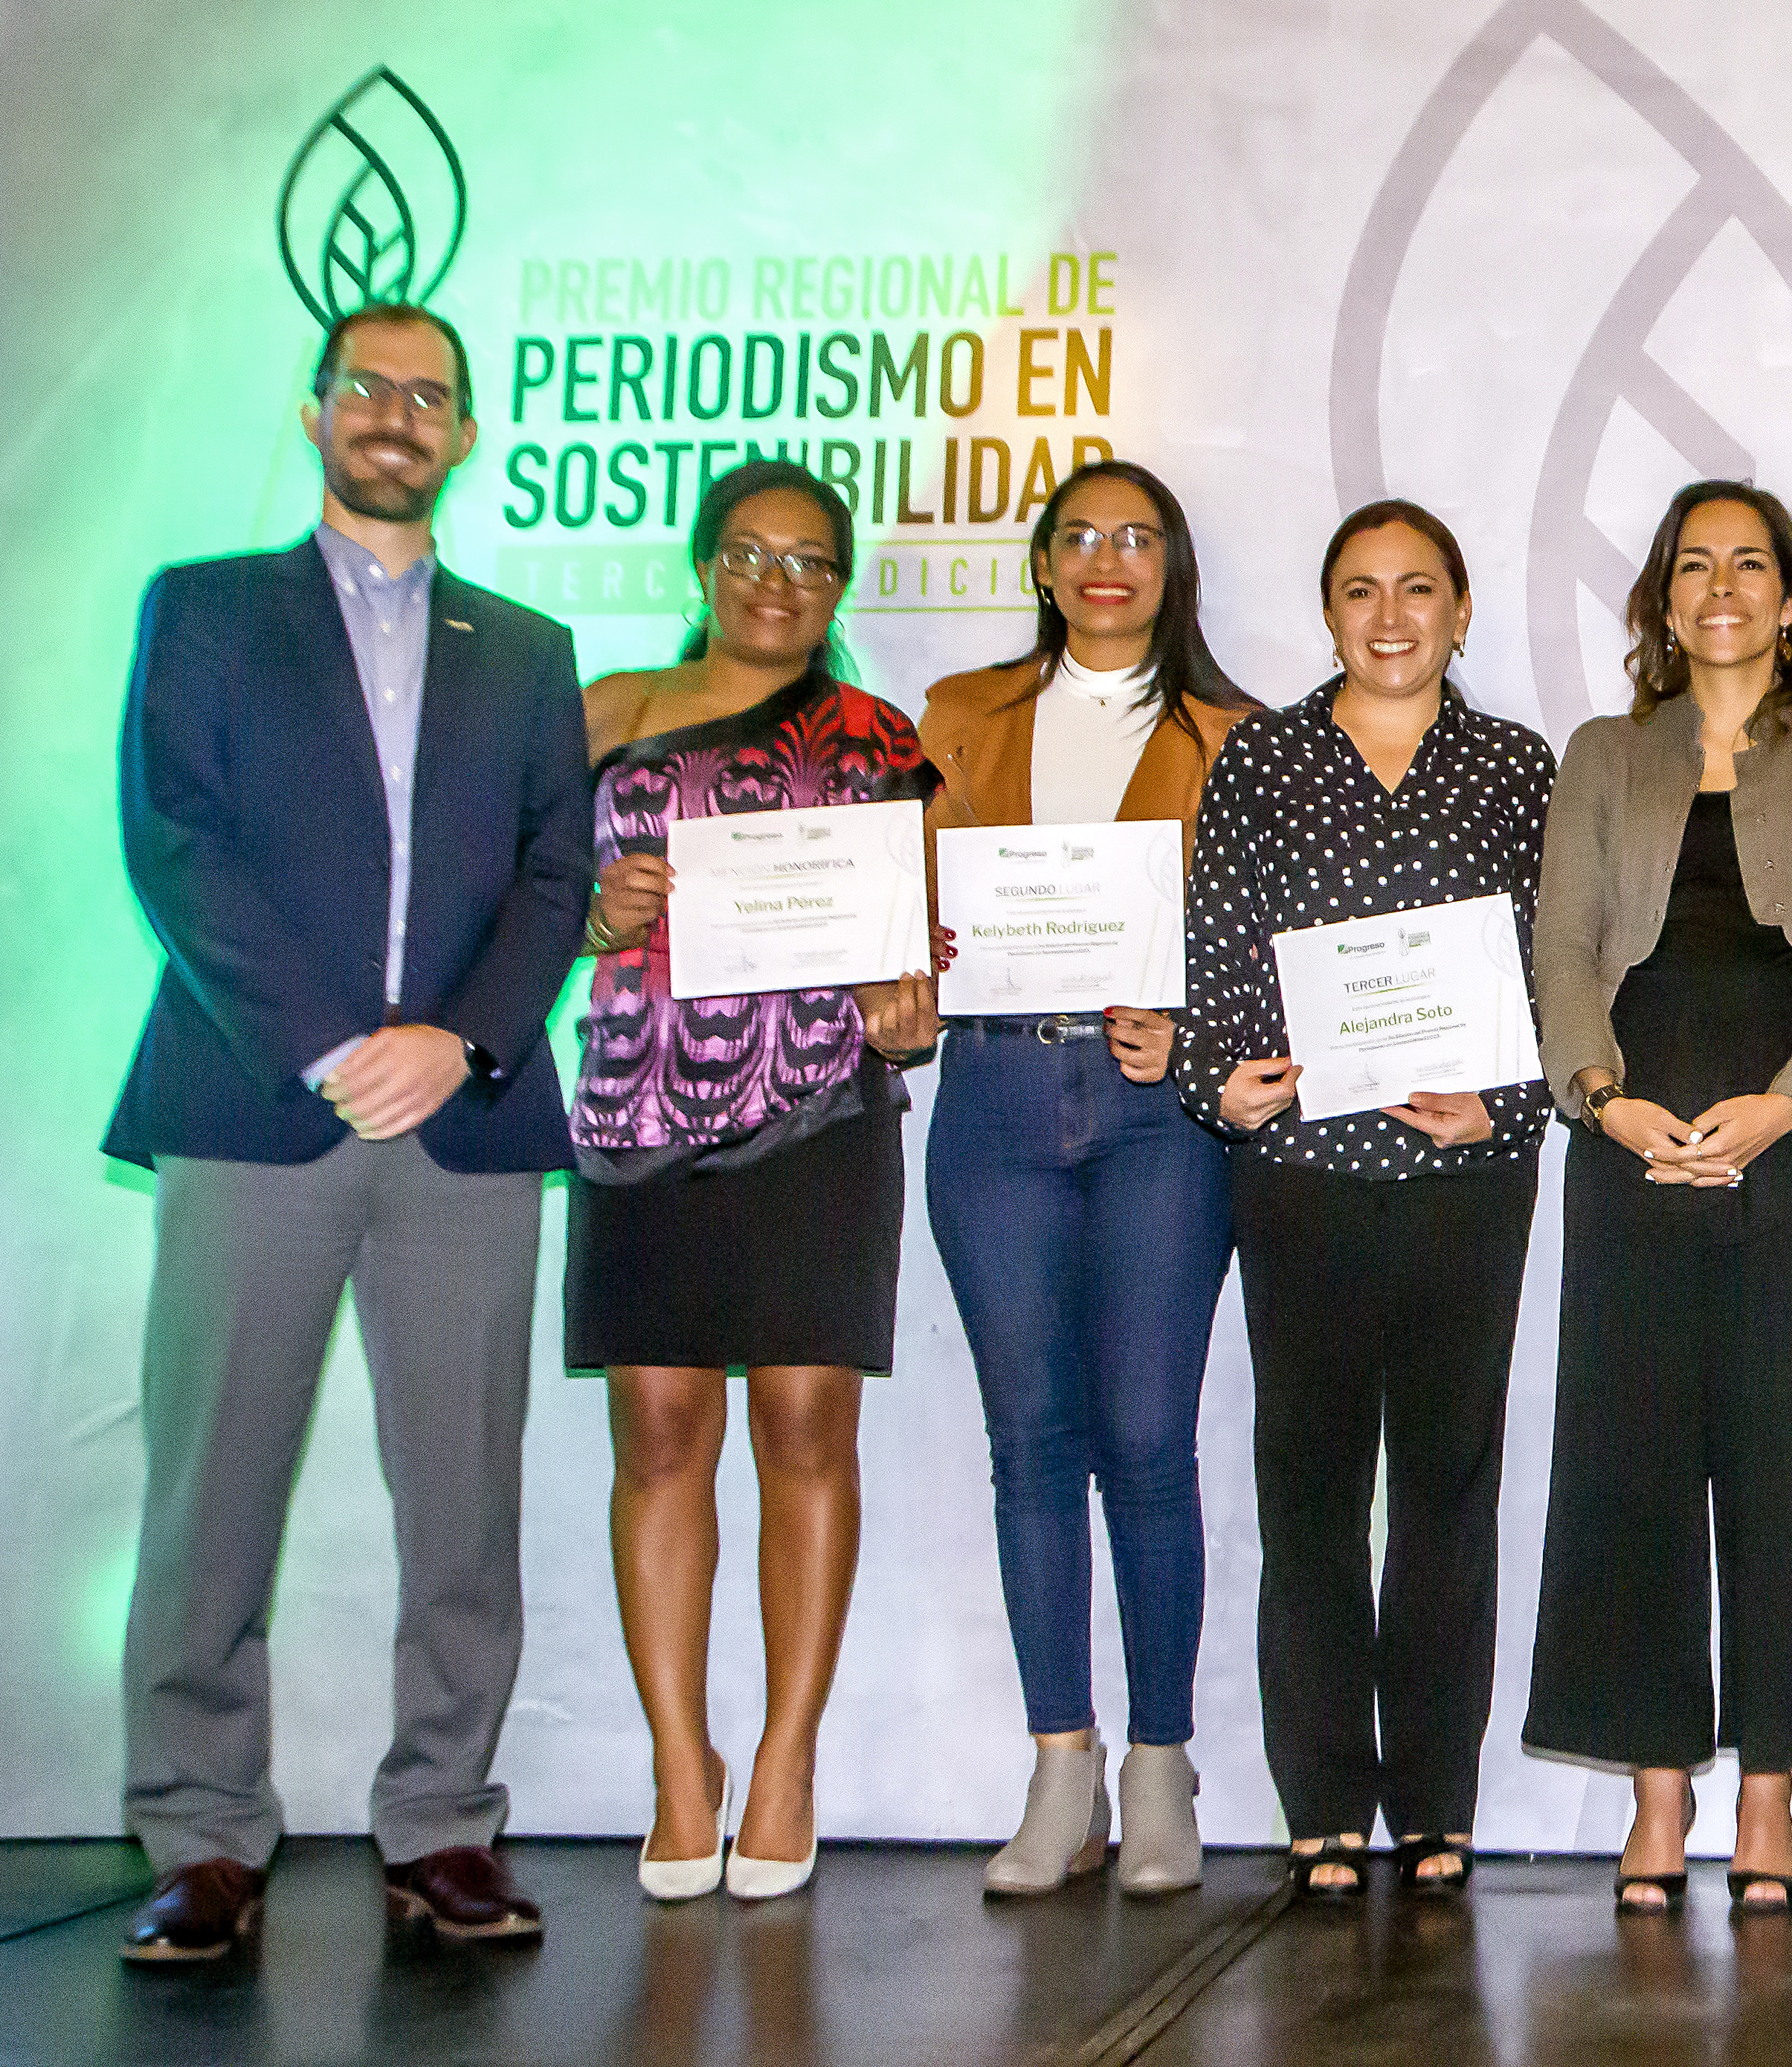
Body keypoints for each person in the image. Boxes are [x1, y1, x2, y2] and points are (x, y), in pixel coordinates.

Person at [109, 303, 589, 1963]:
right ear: (315, 414)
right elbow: (174, 843)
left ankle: (445, 1824)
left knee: (463, 1498)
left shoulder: (525, 648)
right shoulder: (206, 611)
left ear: (465, 436)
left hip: (462, 1122)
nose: (397, 413)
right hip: (257, 1105)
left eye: (430, 397)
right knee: (210, 1495)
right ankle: (200, 1832)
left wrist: (452, 1040)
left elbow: (554, 875)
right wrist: (332, 1043)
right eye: (369, 387)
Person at [1525, 481, 1792, 1915]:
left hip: (1786, 1137)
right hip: (1628, 1136)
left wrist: (1791, 1102)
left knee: (1785, 1470)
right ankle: (1658, 1790)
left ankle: (1765, 1795)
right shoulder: (1606, 752)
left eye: (1752, 562)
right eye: (1696, 565)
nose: (1724, 586)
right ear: (1664, 602)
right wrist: (1604, 1099)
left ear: (1791, 598)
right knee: (1626, 1471)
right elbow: (1561, 944)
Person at [567, 457, 939, 1904]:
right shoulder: (602, 715)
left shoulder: (878, 736)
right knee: (657, 1431)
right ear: (701, 563)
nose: (776, 580)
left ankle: (784, 1757)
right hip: (637, 1108)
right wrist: (591, 909)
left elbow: (916, 944)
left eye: (808, 560)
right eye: (748, 552)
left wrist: (912, 998)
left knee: (802, 1426)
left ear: (838, 585)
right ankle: (681, 1764)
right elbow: (526, 905)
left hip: (816, 1114)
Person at [1174, 501, 1555, 1899]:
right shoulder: (1263, 758)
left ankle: (1436, 1801)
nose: (1387, 617)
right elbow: (1217, 939)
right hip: (1305, 1179)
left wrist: (1511, 1104)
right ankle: (1325, 1794)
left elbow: (1560, 968)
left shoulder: (1519, 768)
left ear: (1461, 611)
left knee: (1451, 1492)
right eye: (1358, 591)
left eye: (1417, 591)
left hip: (1470, 1175)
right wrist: (1225, 1081)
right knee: (1314, 1493)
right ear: (1326, 611)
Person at [917, 459, 1258, 1897]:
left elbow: (1254, 945)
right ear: (1043, 564)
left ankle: (1160, 1766)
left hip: (1151, 1107)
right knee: (1030, 1438)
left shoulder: (1236, 738)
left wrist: (1194, 1019)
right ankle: (1061, 1763)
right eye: (1080, 538)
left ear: (1175, 564)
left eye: (1138, 537)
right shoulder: (955, 716)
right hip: (992, 1093)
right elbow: (907, 903)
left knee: (1145, 1434)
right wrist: (904, 963)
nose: (1108, 560)